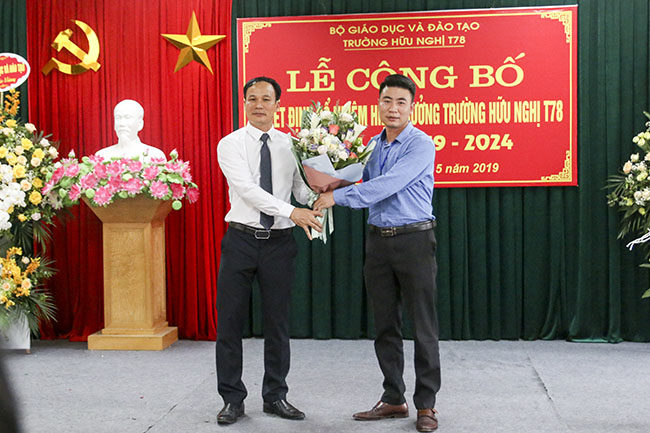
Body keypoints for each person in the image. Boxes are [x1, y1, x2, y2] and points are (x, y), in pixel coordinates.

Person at [314, 74, 440, 432]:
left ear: (412, 106)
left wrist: (335, 197)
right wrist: (322, 180)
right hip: (378, 243)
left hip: (414, 240)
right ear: (379, 104)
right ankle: (393, 398)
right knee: (385, 325)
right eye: (387, 100)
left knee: (423, 326)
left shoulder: (421, 145)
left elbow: (385, 186)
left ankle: (426, 405)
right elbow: (354, 179)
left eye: (401, 102)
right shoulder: (372, 145)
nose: (393, 108)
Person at [215, 76, 322, 425]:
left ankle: (275, 396)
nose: (258, 105)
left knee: (277, 324)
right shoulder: (230, 144)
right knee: (230, 323)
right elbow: (247, 189)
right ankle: (232, 399)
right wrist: (293, 211)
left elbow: (300, 191)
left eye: (266, 98)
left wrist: (325, 190)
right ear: (244, 103)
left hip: (279, 244)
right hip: (241, 241)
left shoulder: (291, 145)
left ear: (278, 104)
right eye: (252, 98)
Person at [96, 99, 166, 161]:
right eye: (118, 117)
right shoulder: (102, 156)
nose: (122, 123)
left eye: (127, 117)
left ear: (140, 124)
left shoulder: (155, 156)